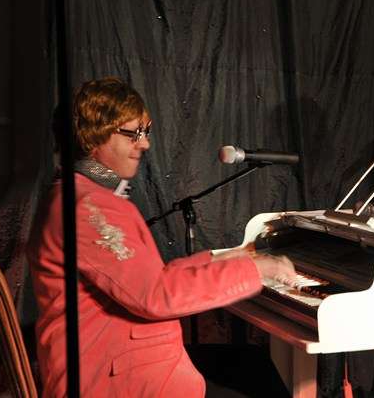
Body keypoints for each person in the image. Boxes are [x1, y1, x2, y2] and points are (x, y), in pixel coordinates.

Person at [28, 77, 297, 397]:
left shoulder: (80, 197)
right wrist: (258, 269)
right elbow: (156, 295)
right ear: (93, 136)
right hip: (109, 379)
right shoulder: (86, 207)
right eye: (133, 133)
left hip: (123, 362)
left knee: (255, 366)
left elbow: (151, 278)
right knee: (260, 381)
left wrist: (226, 258)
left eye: (146, 132)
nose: (144, 144)